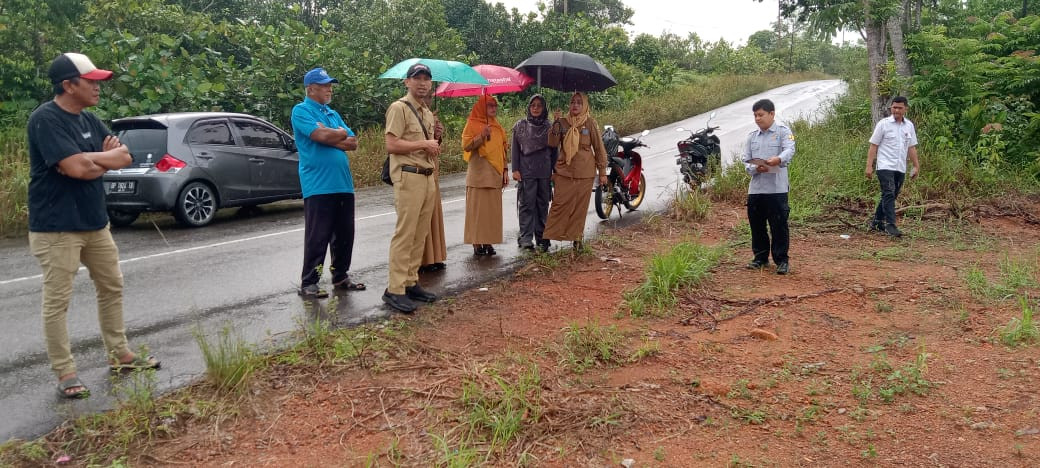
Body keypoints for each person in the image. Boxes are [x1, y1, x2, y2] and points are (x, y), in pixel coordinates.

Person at [27, 52, 160, 399]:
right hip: (56, 227)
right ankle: (66, 372)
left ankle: (121, 355)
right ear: (69, 85)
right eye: (91, 82)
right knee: (58, 301)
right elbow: (77, 170)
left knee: (112, 286)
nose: (99, 87)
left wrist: (92, 161)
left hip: (94, 222)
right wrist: (101, 161)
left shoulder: (90, 119)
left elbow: (124, 157)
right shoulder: (46, 119)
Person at [291, 67, 364, 299]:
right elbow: (319, 136)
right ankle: (309, 282)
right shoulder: (301, 111)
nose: (329, 89)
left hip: (342, 183)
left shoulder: (332, 113)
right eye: (324, 85)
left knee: (344, 234)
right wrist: (335, 135)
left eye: (330, 84)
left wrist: (335, 133)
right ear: (310, 88)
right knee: (318, 234)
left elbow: (352, 142)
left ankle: (341, 276)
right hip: (318, 184)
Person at [383, 63, 441, 313]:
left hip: (427, 177)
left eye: (427, 78)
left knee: (420, 234)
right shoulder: (399, 108)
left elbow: (431, 147)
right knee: (405, 233)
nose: (422, 83)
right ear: (407, 82)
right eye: (417, 78)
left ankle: (410, 281)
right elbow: (392, 144)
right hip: (409, 176)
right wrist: (423, 143)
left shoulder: (427, 112)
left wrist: (436, 138)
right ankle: (394, 289)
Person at [544, 92, 608, 249]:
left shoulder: (590, 123)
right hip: (564, 171)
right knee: (559, 204)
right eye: (573, 102)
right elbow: (552, 143)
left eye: (579, 102)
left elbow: (599, 148)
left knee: (580, 207)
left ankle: (577, 239)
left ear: (584, 105)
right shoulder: (563, 122)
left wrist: (602, 172)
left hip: (585, 172)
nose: (575, 105)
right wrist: (556, 124)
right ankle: (547, 237)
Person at [741, 99, 796, 275]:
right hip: (756, 189)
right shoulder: (751, 136)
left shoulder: (783, 132)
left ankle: (781, 261)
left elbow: (790, 149)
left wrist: (778, 159)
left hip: (776, 189)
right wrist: (756, 167)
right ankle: (760, 258)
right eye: (755, 115)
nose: (757, 118)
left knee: (779, 226)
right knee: (757, 226)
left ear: (772, 114)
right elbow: (745, 160)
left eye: (761, 115)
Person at [462, 94, 510, 256]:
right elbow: (466, 145)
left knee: (491, 213)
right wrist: (481, 135)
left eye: (495, 105)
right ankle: (477, 244)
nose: (494, 108)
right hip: (478, 176)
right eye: (490, 105)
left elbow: (503, 150)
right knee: (477, 212)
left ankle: (488, 242)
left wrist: (505, 170)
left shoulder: (497, 127)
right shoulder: (472, 123)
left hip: (494, 175)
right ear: (482, 107)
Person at [866, 96, 920, 238]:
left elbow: (912, 147)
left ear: (905, 109)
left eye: (899, 108)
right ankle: (891, 224)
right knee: (889, 192)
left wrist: (916, 166)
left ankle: (877, 222)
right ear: (891, 108)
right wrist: (869, 166)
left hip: (900, 167)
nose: (896, 110)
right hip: (884, 165)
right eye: (894, 107)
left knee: (891, 194)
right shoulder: (883, 124)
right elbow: (873, 146)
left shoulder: (909, 126)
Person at [511, 94, 556, 252]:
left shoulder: (550, 127)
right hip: (526, 170)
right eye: (533, 105)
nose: (536, 108)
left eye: (539, 105)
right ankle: (526, 238)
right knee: (527, 205)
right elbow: (515, 149)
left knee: (543, 205)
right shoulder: (520, 126)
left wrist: (554, 171)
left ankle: (542, 237)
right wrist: (515, 169)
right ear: (529, 107)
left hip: (544, 171)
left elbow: (554, 150)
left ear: (544, 108)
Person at [418, 94, 447, 273]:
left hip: (432, 168)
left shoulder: (431, 116)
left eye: (429, 97)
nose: (427, 100)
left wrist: (437, 136)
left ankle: (434, 257)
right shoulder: (407, 112)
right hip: (415, 170)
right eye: (424, 97)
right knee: (420, 216)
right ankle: (421, 261)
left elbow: (435, 148)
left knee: (434, 213)